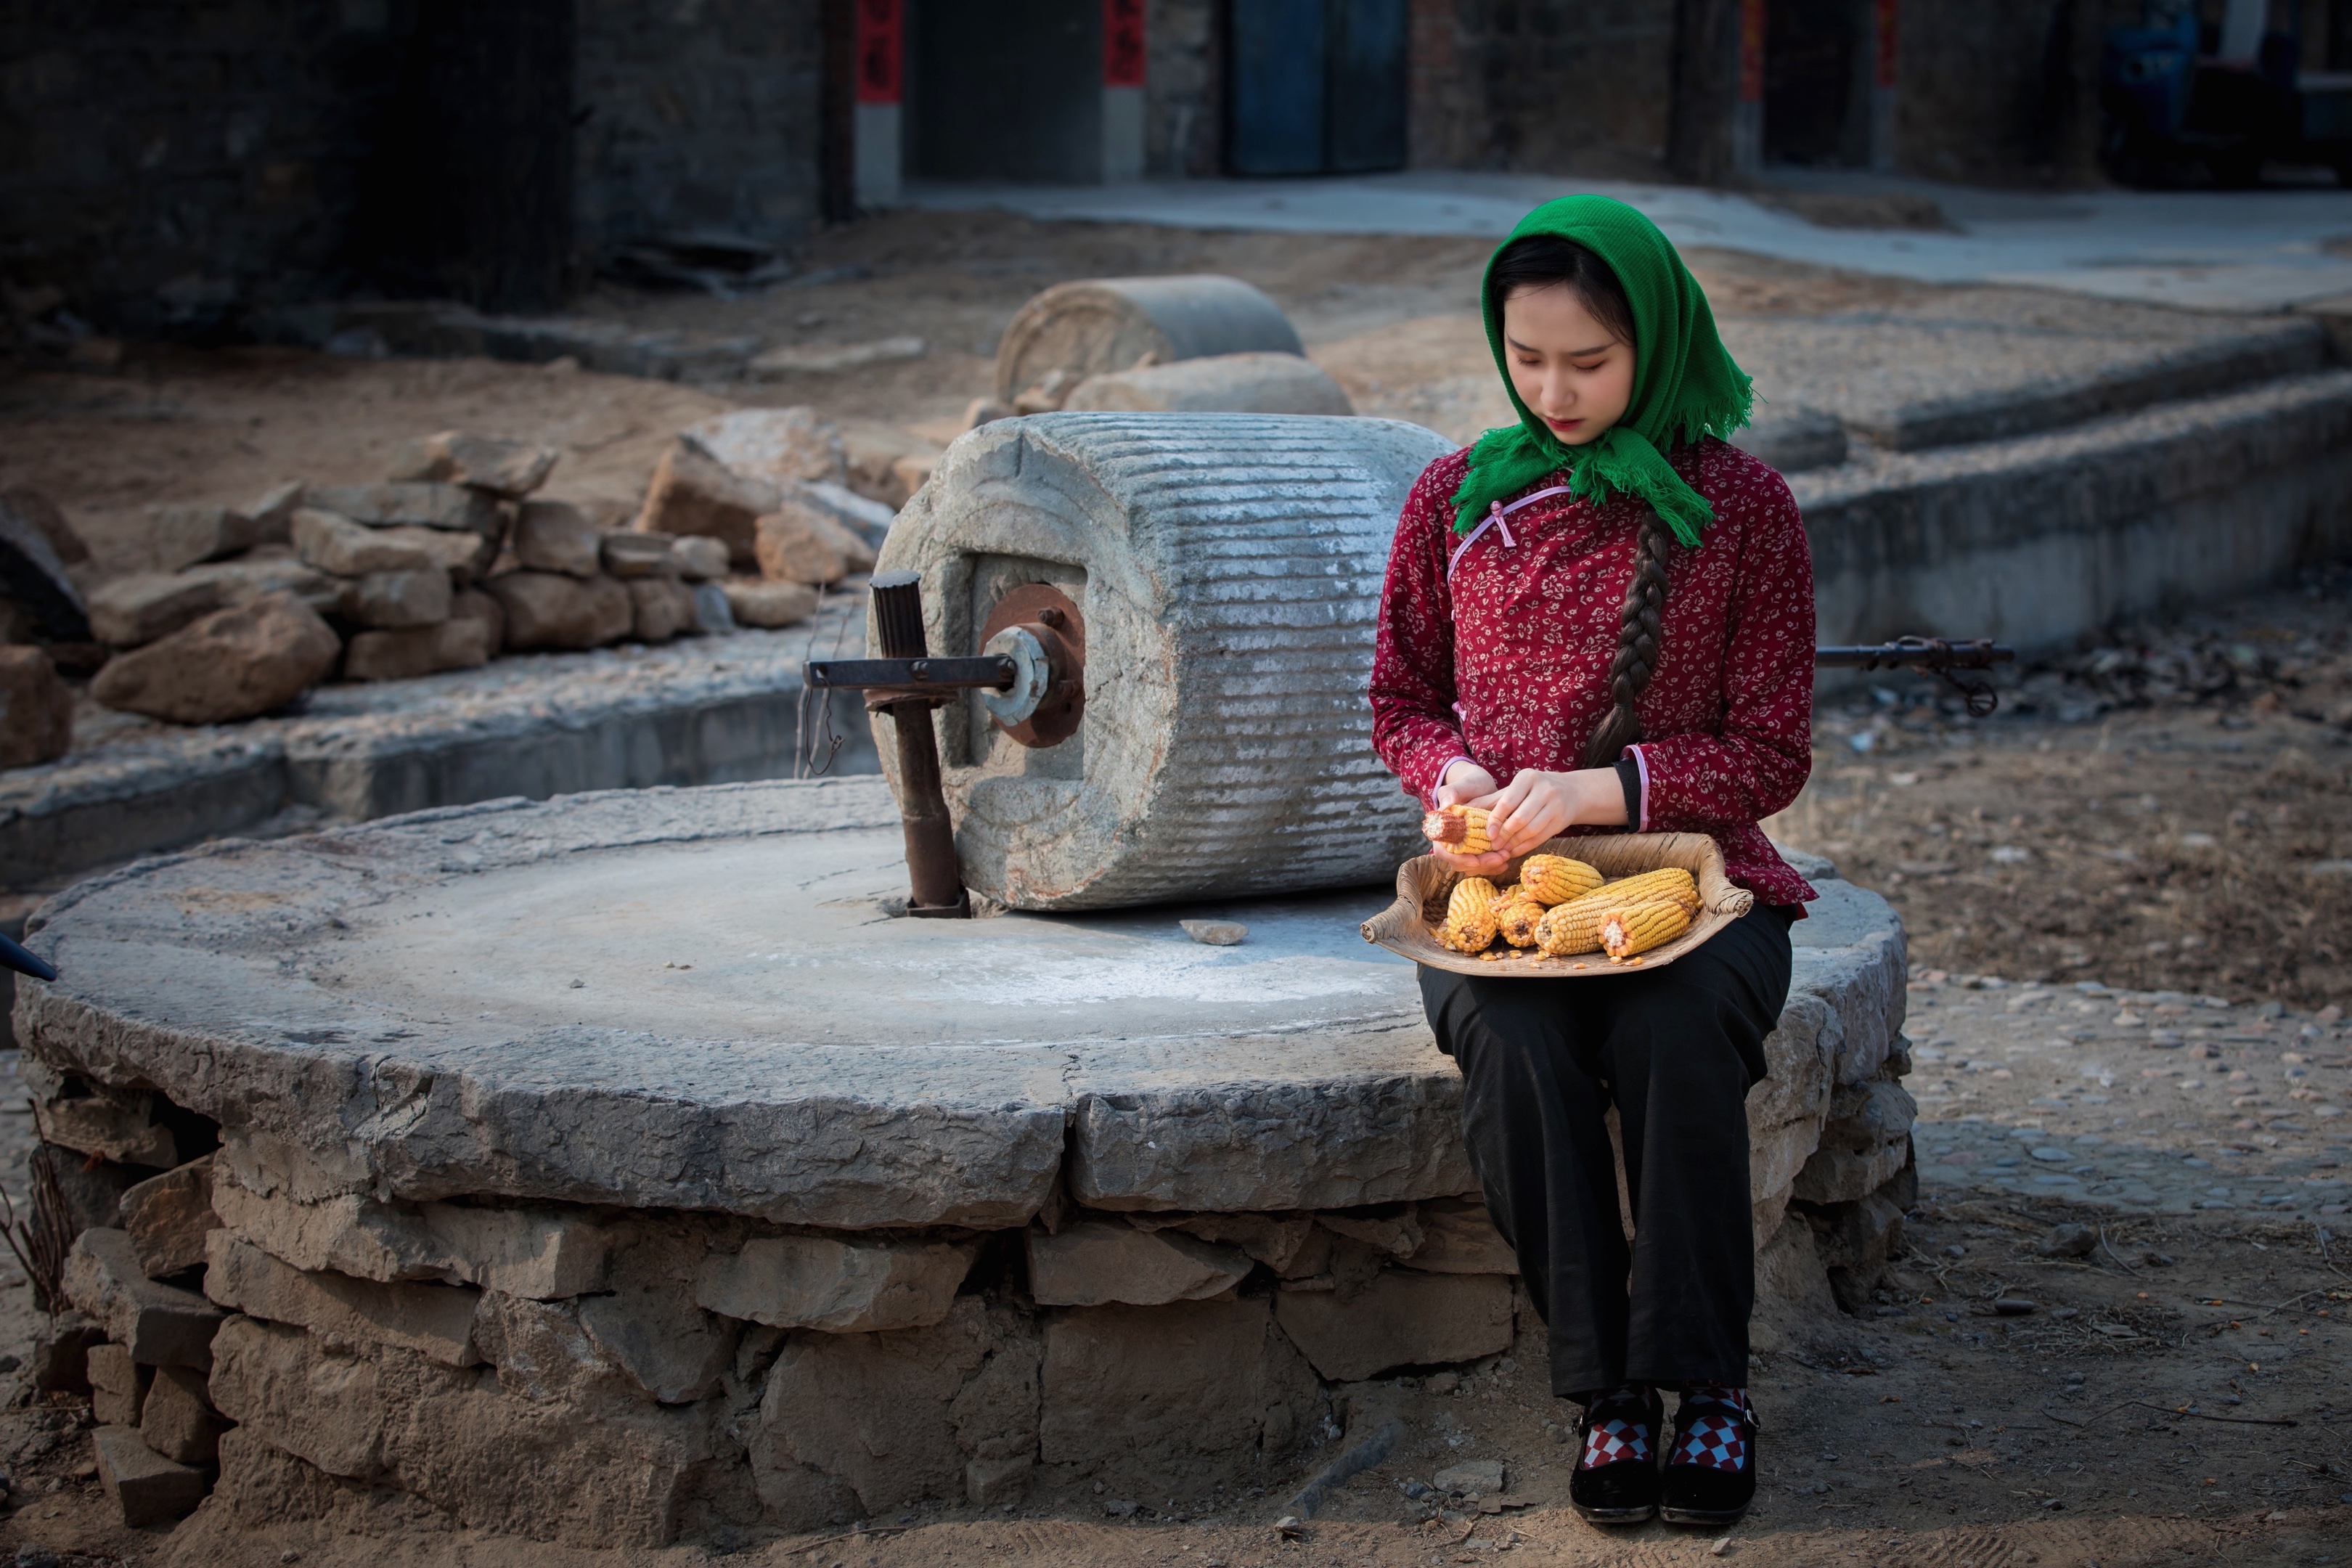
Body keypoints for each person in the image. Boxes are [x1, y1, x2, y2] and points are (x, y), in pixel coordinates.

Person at [1368, 195, 1817, 1529]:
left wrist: (1599, 790)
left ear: (1657, 342)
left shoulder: (1744, 508)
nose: (1554, 393)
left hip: (1701, 881)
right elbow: (1401, 701)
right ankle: (1609, 1392)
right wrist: (1451, 778)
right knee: (1514, 1046)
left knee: (1673, 1033)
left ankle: (1710, 1384)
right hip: (1507, 894)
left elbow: (1772, 750)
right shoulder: (1457, 496)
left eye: (1590, 362)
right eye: (1527, 358)